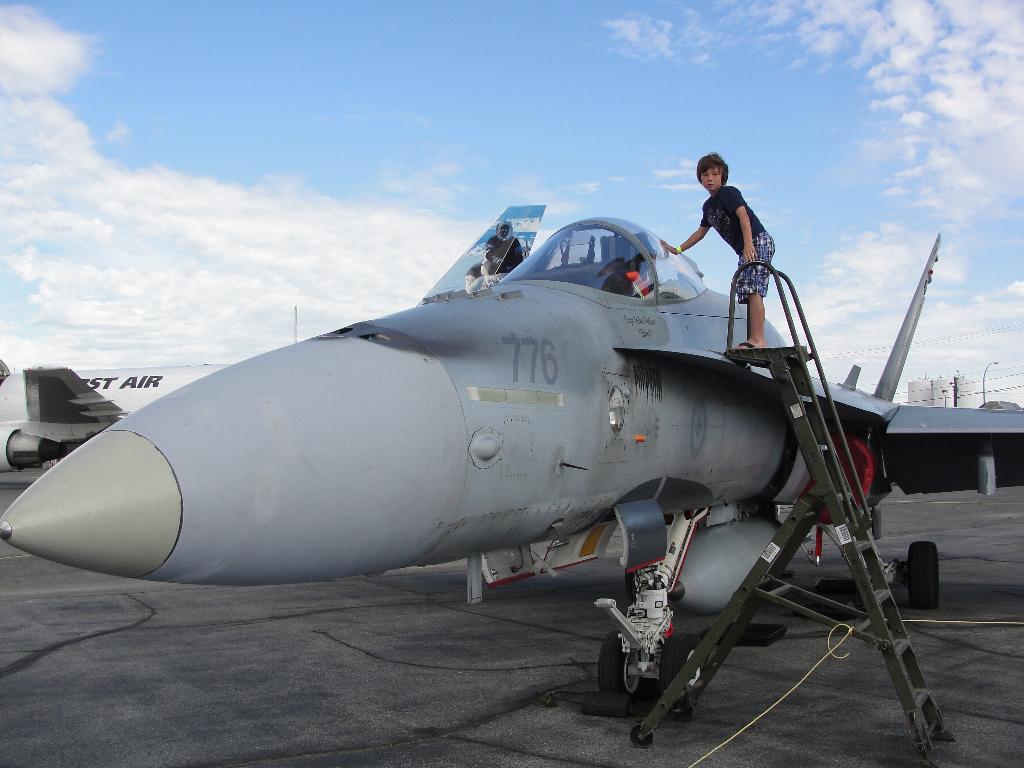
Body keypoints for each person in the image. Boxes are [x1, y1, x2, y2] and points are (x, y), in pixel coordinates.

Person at [665, 152, 775, 348]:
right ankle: (754, 338)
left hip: (757, 241)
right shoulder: (708, 207)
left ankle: (759, 339)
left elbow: (743, 217)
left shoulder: (728, 193)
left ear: (722, 176)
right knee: (746, 291)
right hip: (744, 249)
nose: (710, 178)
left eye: (715, 174)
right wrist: (677, 249)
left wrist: (749, 244)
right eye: (705, 175)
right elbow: (700, 233)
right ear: (700, 179)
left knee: (754, 289)